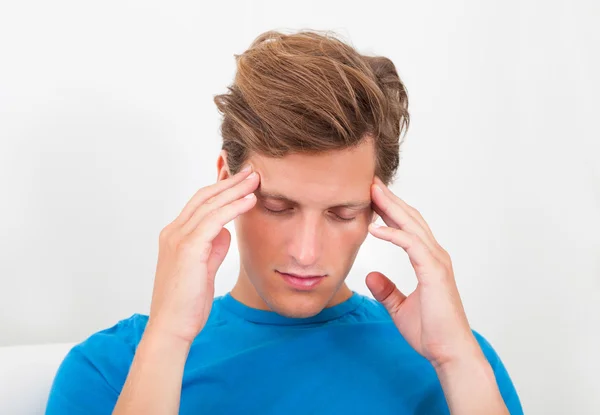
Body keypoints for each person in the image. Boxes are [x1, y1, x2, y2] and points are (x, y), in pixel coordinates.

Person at [45, 30, 523, 415]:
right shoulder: (111, 369)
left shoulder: (457, 364)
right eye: (278, 207)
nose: (306, 253)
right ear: (224, 185)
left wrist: (455, 359)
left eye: (342, 214)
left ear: (378, 207)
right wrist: (167, 341)